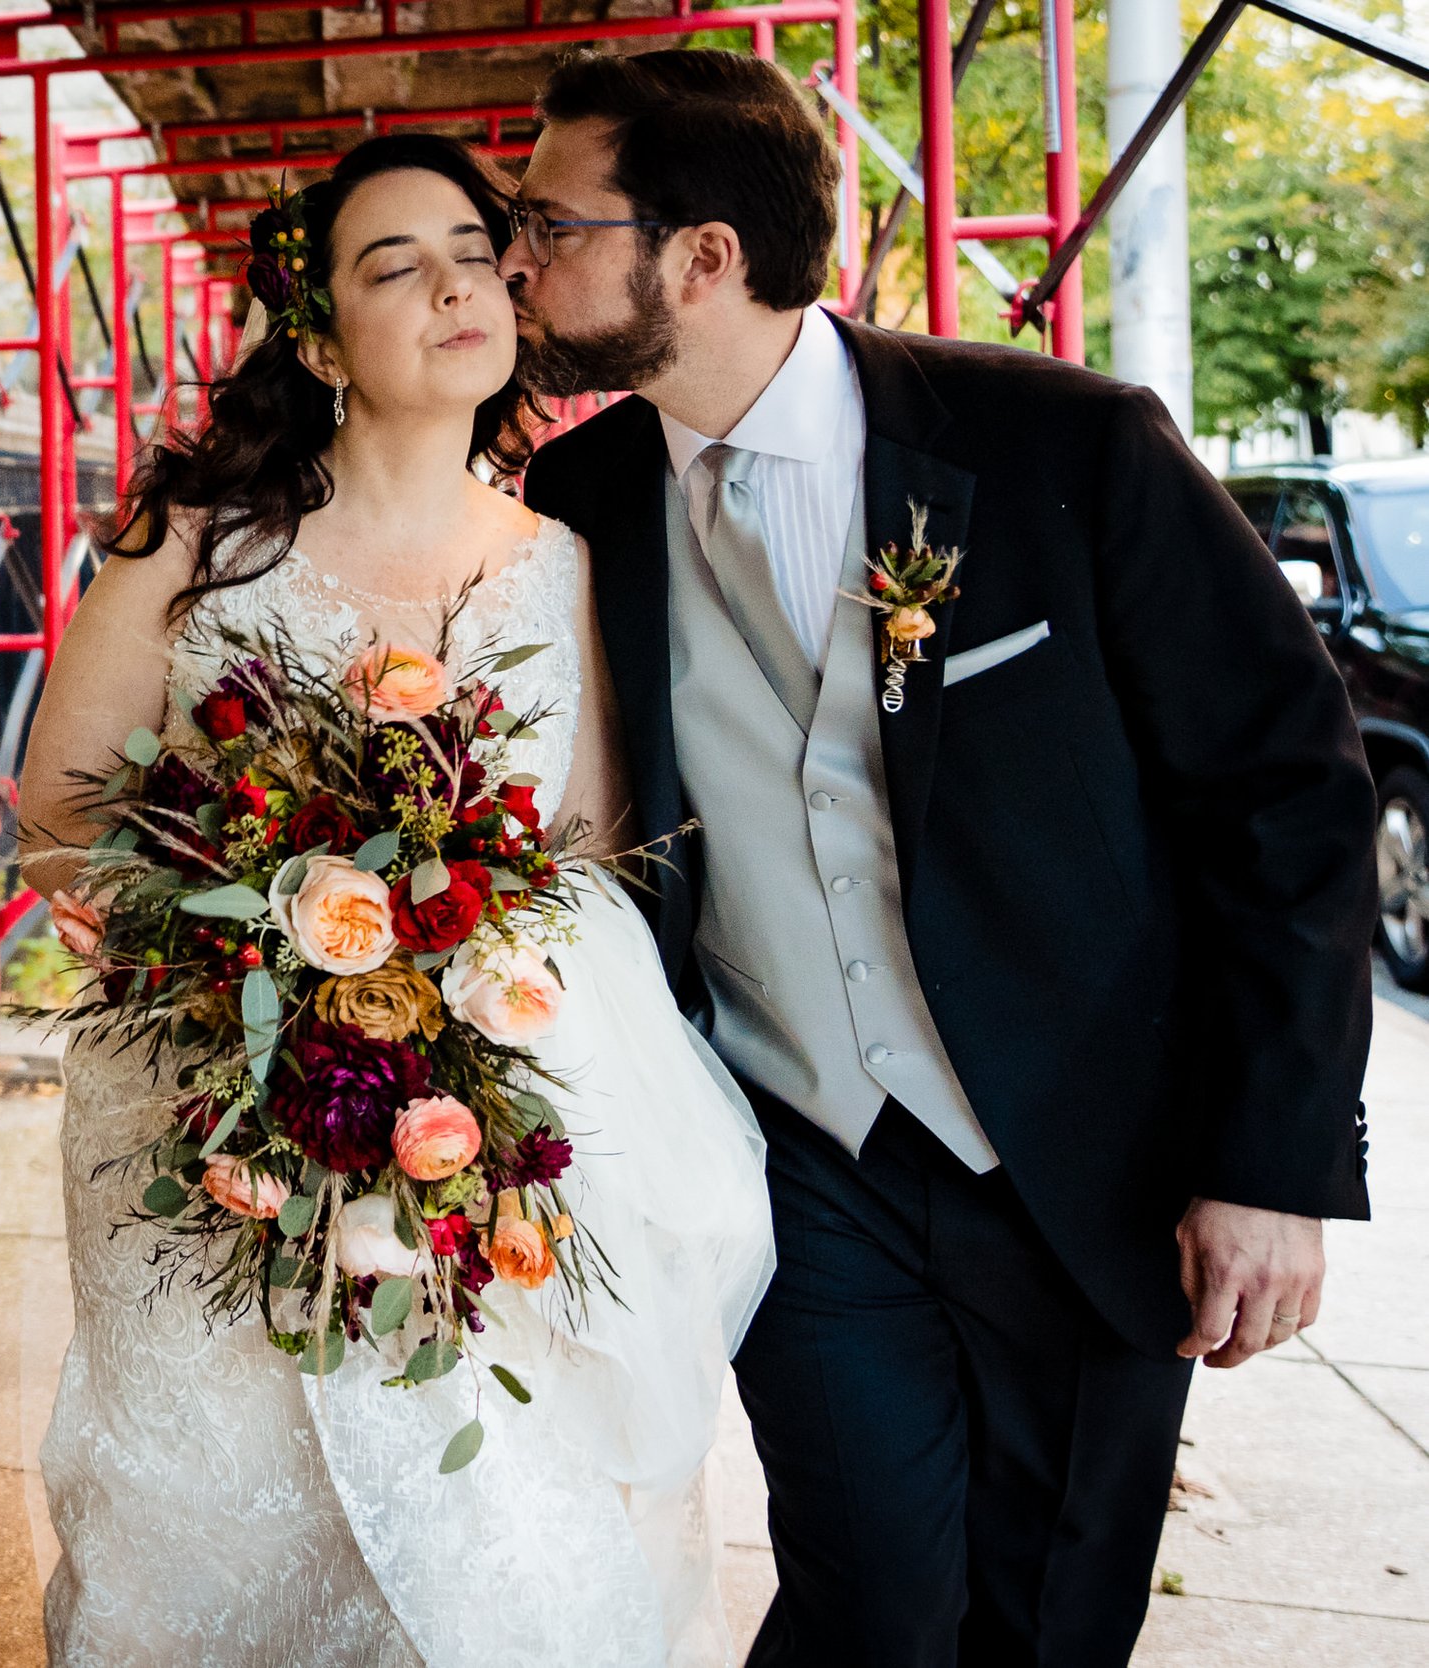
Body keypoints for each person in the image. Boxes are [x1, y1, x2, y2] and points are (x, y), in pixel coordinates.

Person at [504, 48, 1377, 1668]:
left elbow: (1288, 795)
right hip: (801, 1156)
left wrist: (1274, 1164)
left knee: (1051, 1617)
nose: (513, 257)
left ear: (702, 257)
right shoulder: (577, 498)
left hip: (1085, 1156)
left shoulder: (1066, 448)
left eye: (548, 222)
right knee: (874, 1603)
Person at [17, 132, 775, 1667]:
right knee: (237, 1508)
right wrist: (255, 954)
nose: (458, 285)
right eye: (394, 265)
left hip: (491, 1125)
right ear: (315, 338)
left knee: (497, 1525)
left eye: (475, 252)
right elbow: (59, 821)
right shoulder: (202, 550)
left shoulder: (572, 563)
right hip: (221, 1112)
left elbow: (592, 855)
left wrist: (454, 1013)